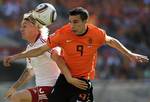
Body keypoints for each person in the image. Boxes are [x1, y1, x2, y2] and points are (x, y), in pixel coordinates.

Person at [4, 7, 149, 102]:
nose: (71, 25)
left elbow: (111, 41)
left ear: (85, 22)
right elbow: (36, 58)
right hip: (64, 81)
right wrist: (16, 57)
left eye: (75, 22)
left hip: (80, 80)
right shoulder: (62, 33)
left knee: (17, 98)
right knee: (17, 98)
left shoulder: (96, 33)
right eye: (70, 21)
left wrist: (129, 54)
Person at [3, 5, 87, 102]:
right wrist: (14, 87)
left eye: (24, 26)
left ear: (36, 27)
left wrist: (69, 80)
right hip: (43, 90)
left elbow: (59, 59)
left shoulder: (46, 42)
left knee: (17, 97)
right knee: (16, 97)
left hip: (53, 89)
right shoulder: (30, 48)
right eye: (21, 26)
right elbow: (29, 71)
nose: (21, 29)